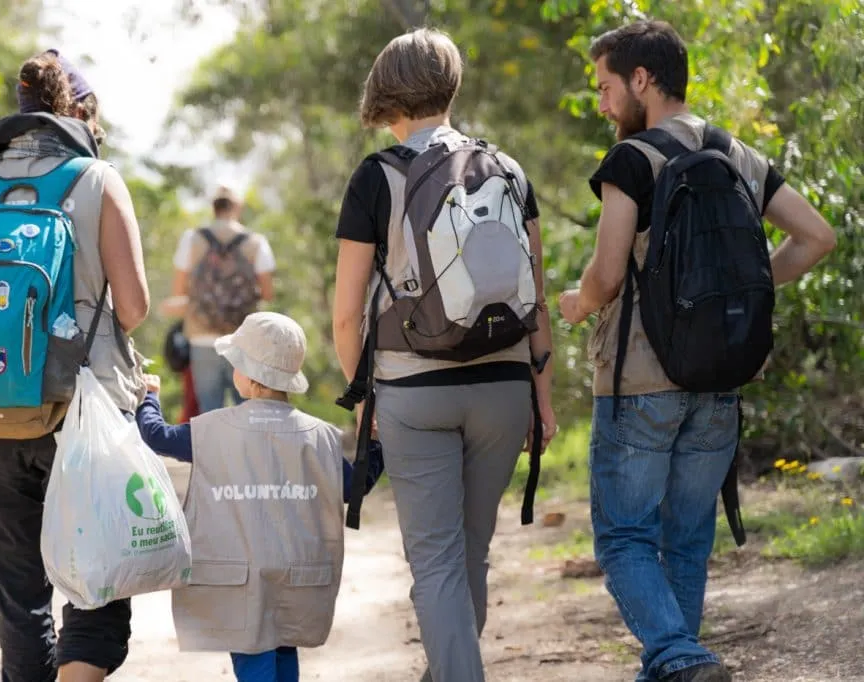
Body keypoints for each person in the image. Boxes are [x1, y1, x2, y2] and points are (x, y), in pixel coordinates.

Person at [558, 20, 837, 682]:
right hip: (720, 377)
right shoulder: (735, 153)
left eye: (604, 87)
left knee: (624, 537)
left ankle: (680, 655)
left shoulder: (632, 161)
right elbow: (817, 237)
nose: (601, 104)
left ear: (641, 81)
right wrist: (742, 286)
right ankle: (676, 667)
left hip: (642, 383)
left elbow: (606, 275)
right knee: (686, 539)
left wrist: (578, 302)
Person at [331, 28, 557, 682]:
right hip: (505, 385)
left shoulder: (377, 176)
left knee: (435, 564)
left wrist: (363, 397)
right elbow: (534, 299)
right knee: (470, 558)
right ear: (450, 84)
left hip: (414, 391)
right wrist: (539, 398)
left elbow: (347, 311)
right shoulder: (508, 170)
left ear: (386, 90)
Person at [0, 49, 150, 682]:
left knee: (19, 595)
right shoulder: (96, 179)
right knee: (98, 579)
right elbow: (136, 308)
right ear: (81, 114)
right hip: (81, 407)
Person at [135, 312, 384, 682]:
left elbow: (155, 436)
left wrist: (149, 398)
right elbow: (355, 486)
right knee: (284, 650)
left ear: (249, 379)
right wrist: (375, 443)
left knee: (255, 660)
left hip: (239, 580)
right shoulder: (319, 437)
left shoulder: (212, 429)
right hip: (297, 575)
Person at [165, 186, 276, 412]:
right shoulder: (256, 242)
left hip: (202, 336)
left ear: (213, 208)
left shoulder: (192, 239)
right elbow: (267, 293)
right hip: (242, 338)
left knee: (209, 412)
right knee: (248, 411)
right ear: (237, 208)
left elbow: (178, 291)